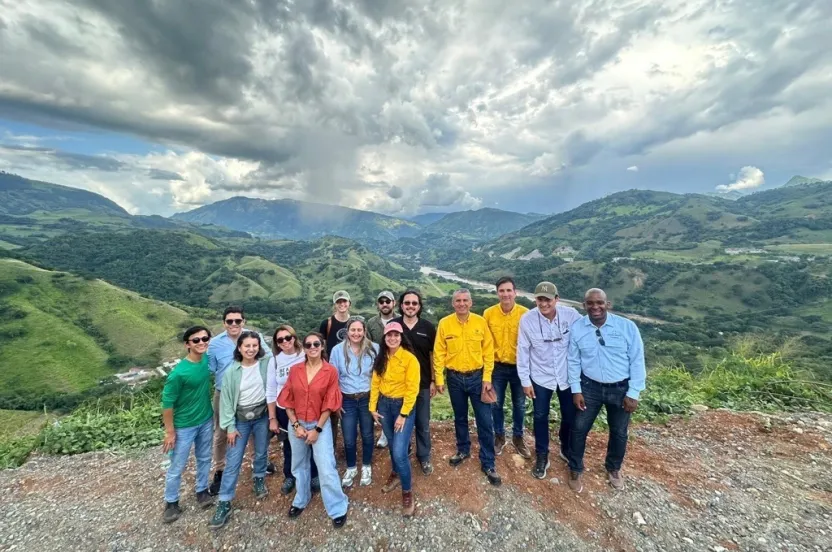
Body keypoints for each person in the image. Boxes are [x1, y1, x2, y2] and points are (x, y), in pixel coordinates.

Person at [567, 288, 646, 493]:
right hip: (589, 387)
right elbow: (573, 361)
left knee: (619, 432)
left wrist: (633, 392)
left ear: (607, 304)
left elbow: (637, 360)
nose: (595, 307)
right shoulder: (577, 328)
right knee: (578, 428)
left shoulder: (627, 327)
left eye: (599, 302)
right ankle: (575, 468)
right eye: (590, 303)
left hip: (620, 388)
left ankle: (614, 468)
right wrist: (576, 389)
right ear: (583, 306)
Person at [278, 332, 349, 528]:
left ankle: (337, 507)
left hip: (320, 424)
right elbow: (287, 400)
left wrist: (317, 429)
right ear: (304, 347)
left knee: (326, 466)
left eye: (316, 343)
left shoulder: (330, 371)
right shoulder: (295, 370)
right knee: (298, 465)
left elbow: (329, 403)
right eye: (308, 344)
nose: (312, 347)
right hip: (297, 423)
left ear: (322, 346)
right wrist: (295, 425)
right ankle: (301, 499)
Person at [434, 289, 501, 486]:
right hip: (454, 379)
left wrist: (487, 378)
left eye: (465, 300)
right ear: (452, 303)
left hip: (478, 379)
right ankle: (463, 449)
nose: (462, 304)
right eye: (458, 301)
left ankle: (488, 462)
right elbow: (439, 352)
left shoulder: (480, 322)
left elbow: (488, 351)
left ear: (471, 303)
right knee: (460, 418)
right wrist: (439, 379)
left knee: (485, 421)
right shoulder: (444, 323)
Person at [517, 282, 583, 480]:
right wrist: (525, 380)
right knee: (539, 416)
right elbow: (522, 351)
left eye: (547, 299)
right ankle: (542, 455)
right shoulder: (527, 320)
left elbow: (585, 334)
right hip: (540, 376)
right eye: (539, 299)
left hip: (567, 376)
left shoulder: (571, 316)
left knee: (570, 416)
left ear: (557, 298)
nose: (543, 303)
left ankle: (566, 447)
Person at [209, 331, 272, 529]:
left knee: (261, 452)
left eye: (255, 345)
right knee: (234, 460)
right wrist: (230, 426)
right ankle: (225, 501)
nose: (251, 349)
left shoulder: (265, 363)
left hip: (261, 415)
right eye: (247, 346)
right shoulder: (232, 371)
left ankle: (259, 478)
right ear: (239, 348)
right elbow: (226, 401)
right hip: (240, 419)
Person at [161, 326, 215, 524]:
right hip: (184, 425)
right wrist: (169, 431)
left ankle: (202, 490)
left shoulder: (206, 360)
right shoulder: (178, 374)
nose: (201, 343)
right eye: (196, 340)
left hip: (206, 419)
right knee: (177, 464)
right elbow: (167, 403)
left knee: (204, 457)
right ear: (187, 345)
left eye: (204, 338)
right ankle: (171, 501)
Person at [370, 322, 420, 517]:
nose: (392, 338)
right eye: (389, 335)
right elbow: (375, 383)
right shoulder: (381, 358)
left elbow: (412, 389)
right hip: (384, 405)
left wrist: (403, 414)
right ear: (384, 338)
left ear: (401, 337)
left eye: (396, 335)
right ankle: (397, 472)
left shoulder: (409, 359)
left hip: (402, 407)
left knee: (399, 450)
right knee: (392, 443)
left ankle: (407, 492)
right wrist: (372, 407)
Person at [483, 276, 531, 459]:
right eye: (501, 291)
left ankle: (518, 437)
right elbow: (485, 343)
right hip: (497, 367)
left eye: (508, 290)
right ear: (497, 293)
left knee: (519, 404)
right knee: (496, 403)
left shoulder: (526, 314)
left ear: (515, 292)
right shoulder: (488, 313)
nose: (505, 294)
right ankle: (499, 435)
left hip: (520, 367)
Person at [329, 317, 378, 488]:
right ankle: (351, 467)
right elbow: (333, 377)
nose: (356, 333)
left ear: (364, 331)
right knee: (349, 437)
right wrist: (336, 401)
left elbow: (379, 375)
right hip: (347, 399)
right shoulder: (337, 350)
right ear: (347, 332)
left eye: (359, 330)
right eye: (353, 330)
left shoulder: (374, 349)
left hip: (367, 398)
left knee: (367, 434)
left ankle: (366, 466)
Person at [392, 289, 437, 475]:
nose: (411, 306)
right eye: (407, 303)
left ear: (419, 306)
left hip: (423, 383)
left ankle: (424, 456)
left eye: (414, 303)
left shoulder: (427, 327)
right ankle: (403, 452)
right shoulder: (394, 326)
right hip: (398, 385)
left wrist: (434, 379)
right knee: (401, 421)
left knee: (422, 422)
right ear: (401, 305)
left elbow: (433, 356)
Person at [266, 325, 313, 496]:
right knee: (288, 444)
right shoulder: (275, 360)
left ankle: (313, 474)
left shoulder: (305, 355)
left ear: (294, 337)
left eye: (288, 337)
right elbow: (270, 390)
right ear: (277, 343)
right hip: (283, 409)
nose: (285, 342)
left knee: (311, 440)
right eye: (280, 340)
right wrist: (272, 418)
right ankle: (290, 475)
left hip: (305, 407)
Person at [319, 290, 351, 454]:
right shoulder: (328, 323)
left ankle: (348, 445)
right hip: (331, 371)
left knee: (347, 409)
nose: (342, 304)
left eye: (344, 301)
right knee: (331, 408)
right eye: (339, 302)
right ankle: (329, 447)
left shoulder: (354, 323)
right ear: (335, 304)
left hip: (350, 371)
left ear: (349, 303)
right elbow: (321, 345)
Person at [367, 290, 397, 449]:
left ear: (394, 303)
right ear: (378, 304)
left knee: (396, 401)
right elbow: (367, 346)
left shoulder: (401, 320)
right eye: (381, 301)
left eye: (388, 301)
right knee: (382, 402)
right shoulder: (371, 323)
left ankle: (397, 435)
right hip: (379, 367)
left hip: (397, 367)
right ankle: (385, 433)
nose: (385, 304)